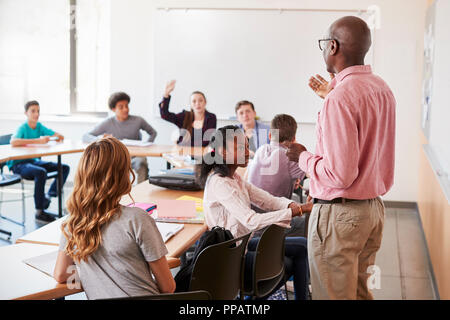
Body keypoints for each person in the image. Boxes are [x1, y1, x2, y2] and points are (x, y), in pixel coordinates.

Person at [286, 16, 396, 300]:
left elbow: (340, 174)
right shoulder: (381, 88)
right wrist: (330, 96)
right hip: (371, 212)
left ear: (333, 46)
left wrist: (303, 157)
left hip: (341, 216)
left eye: (324, 44)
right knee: (358, 293)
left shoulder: (340, 98)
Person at [196, 125, 312, 300]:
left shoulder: (236, 178)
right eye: (241, 147)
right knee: (286, 263)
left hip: (243, 246)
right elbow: (252, 221)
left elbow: (269, 201)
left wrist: (295, 207)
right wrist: (300, 210)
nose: (247, 151)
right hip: (231, 258)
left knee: (301, 247)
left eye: (247, 146)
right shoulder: (220, 183)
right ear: (223, 152)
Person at [54, 137, 175, 299]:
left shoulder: (73, 223)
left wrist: (94, 278)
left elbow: (61, 275)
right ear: (121, 175)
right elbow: (168, 287)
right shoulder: (137, 219)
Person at [7, 100, 70, 223]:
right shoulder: (23, 127)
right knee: (41, 172)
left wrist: (51, 138)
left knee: (64, 168)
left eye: (38, 111)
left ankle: (48, 196)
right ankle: (39, 212)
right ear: (26, 113)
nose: (36, 114)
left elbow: (59, 136)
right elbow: (13, 142)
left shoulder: (39, 126)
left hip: (33, 161)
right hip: (19, 164)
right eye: (33, 111)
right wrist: (38, 141)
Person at [247, 114, 307, 236]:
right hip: (271, 227)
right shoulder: (290, 157)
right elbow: (314, 176)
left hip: (250, 224)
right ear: (294, 139)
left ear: (270, 135)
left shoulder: (260, 150)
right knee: (308, 224)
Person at [83, 92, 157, 183]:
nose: (125, 109)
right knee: (110, 167)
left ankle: (141, 193)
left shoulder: (138, 120)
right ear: (113, 109)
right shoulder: (108, 122)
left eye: (127, 106)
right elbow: (85, 136)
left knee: (142, 164)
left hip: (136, 157)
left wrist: (146, 146)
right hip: (118, 157)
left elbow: (153, 132)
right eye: (121, 107)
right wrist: (101, 139)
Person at [159, 80, 217, 147]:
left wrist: (183, 143)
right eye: (194, 101)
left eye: (200, 100)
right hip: (184, 154)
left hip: (202, 154)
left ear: (205, 102)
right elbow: (165, 115)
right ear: (190, 104)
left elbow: (207, 141)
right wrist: (166, 94)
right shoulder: (184, 116)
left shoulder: (211, 117)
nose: (197, 104)